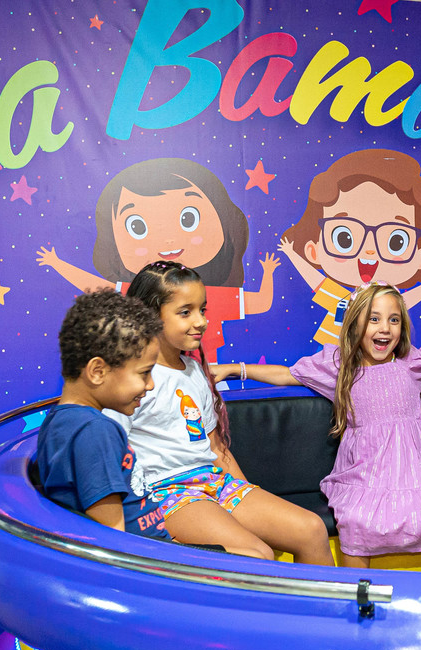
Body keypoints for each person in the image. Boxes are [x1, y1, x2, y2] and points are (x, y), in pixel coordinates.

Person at [212, 284, 421, 568]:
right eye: (374, 319)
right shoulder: (339, 366)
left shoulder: (412, 363)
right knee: (357, 519)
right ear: (354, 324)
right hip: (365, 474)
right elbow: (287, 374)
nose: (385, 328)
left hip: (416, 471)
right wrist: (236, 369)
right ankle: (355, 590)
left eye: (393, 320)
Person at [106, 262, 334, 564]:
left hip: (214, 481)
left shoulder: (195, 371)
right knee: (258, 555)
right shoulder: (130, 378)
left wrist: (246, 494)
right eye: (185, 312)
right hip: (167, 492)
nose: (200, 321)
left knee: (312, 529)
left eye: (202, 310)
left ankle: (321, 599)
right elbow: (110, 453)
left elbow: (216, 448)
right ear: (148, 316)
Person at [35, 157, 279, 361]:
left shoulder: (206, 294)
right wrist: (58, 263)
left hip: (204, 374)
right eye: (136, 226)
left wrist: (268, 274)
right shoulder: (139, 296)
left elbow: (260, 302)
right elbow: (100, 287)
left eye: (188, 218)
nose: (200, 321)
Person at [277, 149, 421, 347]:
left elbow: (407, 299)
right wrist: (291, 253)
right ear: (313, 250)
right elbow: (314, 279)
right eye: (344, 238)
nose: (369, 250)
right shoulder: (340, 299)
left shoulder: (389, 304)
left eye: (396, 241)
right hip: (332, 355)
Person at [35, 290, 167, 539]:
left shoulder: (61, 420)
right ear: (97, 371)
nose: (150, 385)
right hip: (150, 558)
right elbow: (112, 540)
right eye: (144, 373)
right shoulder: (95, 431)